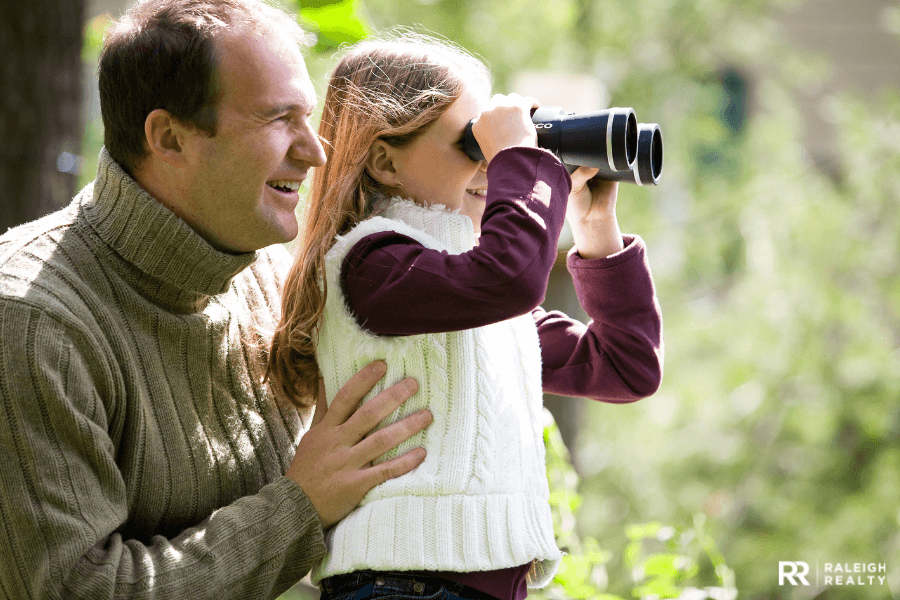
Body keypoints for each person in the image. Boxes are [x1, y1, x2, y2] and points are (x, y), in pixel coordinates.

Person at [0, 1, 433, 598]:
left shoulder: (270, 277)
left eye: (307, 117)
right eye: (279, 120)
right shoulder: (30, 323)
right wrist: (299, 509)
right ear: (169, 138)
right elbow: (75, 590)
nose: (315, 151)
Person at [266, 33, 664, 600]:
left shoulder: (478, 302)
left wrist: (596, 229)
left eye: (493, 145)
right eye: (473, 144)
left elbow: (626, 367)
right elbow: (506, 278)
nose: (491, 165)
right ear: (384, 160)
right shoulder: (374, 265)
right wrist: (522, 162)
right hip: (400, 586)